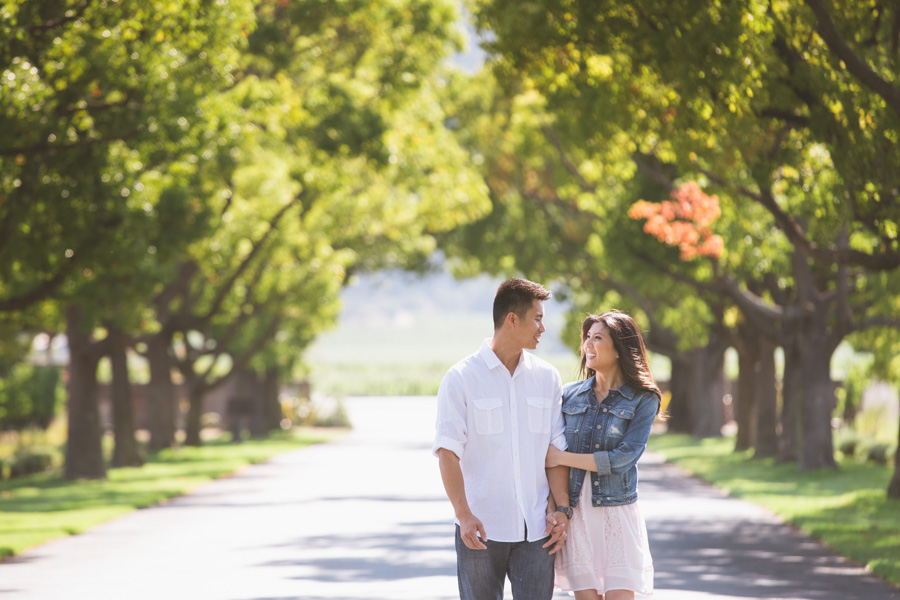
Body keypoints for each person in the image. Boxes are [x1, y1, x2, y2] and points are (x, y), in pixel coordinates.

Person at [433, 277, 571, 600]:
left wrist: (562, 509)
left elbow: (555, 452)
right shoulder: (461, 379)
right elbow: (447, 452)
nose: (542, 328)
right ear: (512, 319)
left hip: (537, 529)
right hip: (480, 529)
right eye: (537, 318)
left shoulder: (547, 378)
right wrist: (464, 515)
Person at [546, 311, 660, 600]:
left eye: (597, 338)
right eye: (587, 337)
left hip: (616, 515)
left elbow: (623, 458)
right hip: (577, 516)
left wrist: (562, 458)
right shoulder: (568, 395)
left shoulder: (644, 399)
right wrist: (555, 507)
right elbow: (547, 454)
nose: (588, 344)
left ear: (619, 348)